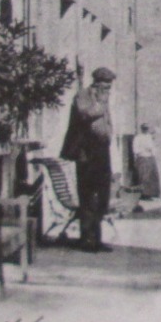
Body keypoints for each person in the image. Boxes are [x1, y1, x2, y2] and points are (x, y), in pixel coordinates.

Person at [60, 67, 116, 252]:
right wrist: (100, 104)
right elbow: (85, 114)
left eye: (109, 87)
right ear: (97, 84)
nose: (108, 90)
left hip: (101, 151)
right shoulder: (83, 96)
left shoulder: (103, 98)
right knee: (87, 195)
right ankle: (87, 239)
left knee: (103, 195)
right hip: (86, 152)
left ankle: (96, 238)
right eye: (106, 86)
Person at [132, 123, 161, 200]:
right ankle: (144, 194)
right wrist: (144, 150)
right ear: (141, 129)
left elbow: (153, 147)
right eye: (144, 128)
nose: (146, 130)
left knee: (152, 176)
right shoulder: (138, 138)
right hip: (142, 158)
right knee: (144, 177)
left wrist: (152, 152)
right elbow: (135, 150)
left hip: (150, 157)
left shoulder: (149, 137)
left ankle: (151, 194)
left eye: (147, 128)